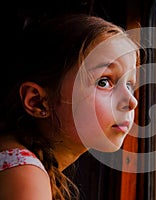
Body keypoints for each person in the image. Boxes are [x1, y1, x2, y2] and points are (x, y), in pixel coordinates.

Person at [0, 13, 139, 199]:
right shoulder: (24, 174)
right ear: (38, 102)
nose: (132, 101)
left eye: (129, 85)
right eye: (104, 82)